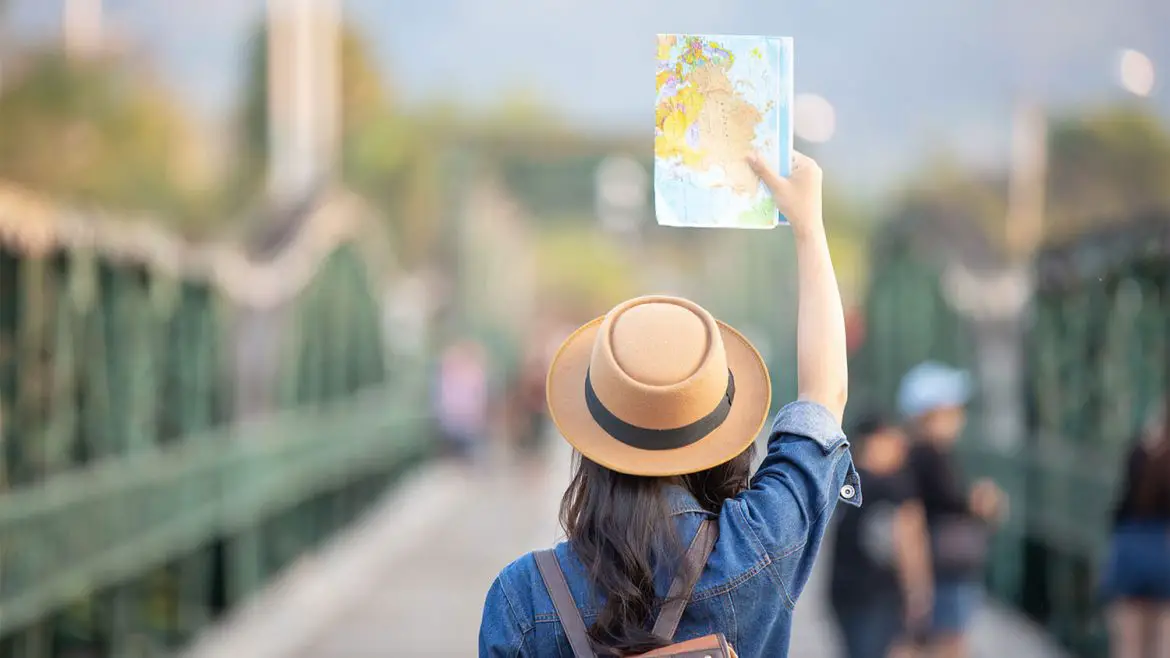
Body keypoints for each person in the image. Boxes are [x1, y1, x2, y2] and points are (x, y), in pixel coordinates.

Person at [478, 151, 858, 658]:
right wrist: (809, 225)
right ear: (720, 432)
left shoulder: (522, 596)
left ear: (595, 434)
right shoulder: (759, 545)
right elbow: (823, 394)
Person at [898, 362, 1006, 658]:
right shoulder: (929, 455)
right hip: (942, 565)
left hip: (937, 564)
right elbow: (949, 502)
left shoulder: (921, 454)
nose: (959, 416)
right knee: (949, 643)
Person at [829, 412, 931, 658]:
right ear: (874, 441)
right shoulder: (895, 486)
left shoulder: (844, 480)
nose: (900, 450)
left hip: (844, 592)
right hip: (879, 595)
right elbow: (909, 541)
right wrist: (918, 593)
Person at [1101, 398, 1170, 658]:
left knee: (1128, 646)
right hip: (1164, 553)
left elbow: (1121, 503)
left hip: (1131, 551)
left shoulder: (1141, 451)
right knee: (1162, 643)